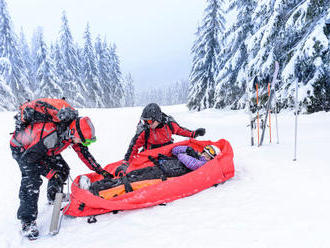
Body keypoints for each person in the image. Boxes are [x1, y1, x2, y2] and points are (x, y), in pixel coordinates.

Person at [10, 116, 112, 239]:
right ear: (73, 133)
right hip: (23, 150)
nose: (84, 143)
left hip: (42, 148)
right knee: (32, 181)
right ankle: (27, 222)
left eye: (88, 142)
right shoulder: (52, 135)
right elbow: (29, 160)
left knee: (62, 169)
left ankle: (53, 196)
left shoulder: (71, 133)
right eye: (84, 141)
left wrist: (99, 170)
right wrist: (50, 173)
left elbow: (84, 153)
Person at [83, 144, 219, 196]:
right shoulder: (194, 154)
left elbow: (188, 162)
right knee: (132, 174)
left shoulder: (202, 165)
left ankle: (97, 189)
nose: (204, 155)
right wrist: (186, 149)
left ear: (211, 159)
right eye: (205, 152)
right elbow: (175, 150)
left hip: (163, 175)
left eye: (208, 155)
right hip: (160, 168)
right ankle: (103, 184)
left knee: (131, 181)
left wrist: (185, 153)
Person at [115, 103, 206, 177]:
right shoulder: (144, 129)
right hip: (151, 156)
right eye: (145, 121)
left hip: (168, 153)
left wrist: (194, 133)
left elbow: (179, 130)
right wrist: (125, 163)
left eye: (150, 121)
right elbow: (134, 146)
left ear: (157, 119)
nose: (147, 124)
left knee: (178, 167)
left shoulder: (168, 123)